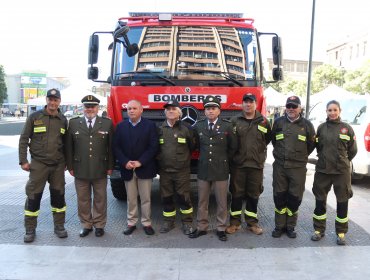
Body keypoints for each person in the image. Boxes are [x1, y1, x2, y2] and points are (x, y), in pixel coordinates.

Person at [18, 88, 68, 243]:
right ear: (46, 100)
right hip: (39, 164)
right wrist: (23, 160)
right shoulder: (35, 117)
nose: (53, 102)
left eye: (56, 100)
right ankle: (30, 229)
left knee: (58, 197)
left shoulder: (63, 119)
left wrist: (66, 163)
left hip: (58, 165)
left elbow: (66, 144)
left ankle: (59, 226)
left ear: (59, 101)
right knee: (33, 196)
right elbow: (24, 139)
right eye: (50, 99)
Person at [189, 96, 237, 241]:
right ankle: (201, 227)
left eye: (213, 108)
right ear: (204, 111)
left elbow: (233, 147)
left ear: (219, 111)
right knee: (202, 201)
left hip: (221, 169)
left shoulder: (227, 126)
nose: (210, 111)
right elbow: (194, 145)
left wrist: (223, 160)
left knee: (222, 202)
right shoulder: (198, 126)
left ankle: (221, 228)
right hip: (203, 168)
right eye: (208, 109)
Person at [66, 95, 114, 238]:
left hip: (101, 167)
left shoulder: (106, 123)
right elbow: (69, 147)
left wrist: (110, 166)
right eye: (87, 106)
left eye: (93, 106)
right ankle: (86, 224)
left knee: (100, 198)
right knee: (83, 198)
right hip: (80, 167)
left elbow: (111, 147)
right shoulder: (73, 123)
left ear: (97, 108)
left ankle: (99, 224)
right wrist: (70, 166)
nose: (90, 109)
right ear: (83, 107)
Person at [310, 100, 357, 245]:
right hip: (323, 170)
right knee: (320, 201)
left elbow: (353, 150)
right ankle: (319, 230)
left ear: (339, 111)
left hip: (341, 172)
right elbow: (317, 146)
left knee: (342, 202)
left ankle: (341, 233)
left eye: (335, 110)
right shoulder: (321, 128)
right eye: (329, 110)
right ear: (326, 112)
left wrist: (342, 160)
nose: (332, 112)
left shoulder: (347, 128)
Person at [226, 93, 272, 235]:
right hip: (238, 165)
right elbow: (229, 143)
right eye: (245, 102)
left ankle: (252, 223)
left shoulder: (264, 122)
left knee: (254, 194)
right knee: (236, 194)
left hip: (256, 165)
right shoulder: (234, 121)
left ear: (255, 103)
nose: (248, 104)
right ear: (242, 104)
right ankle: (234, 223)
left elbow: (268, 139)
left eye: (251, 102)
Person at [271, 96, 315, 238]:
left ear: (299, 108)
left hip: (298, 168)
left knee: (294, 198)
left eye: (294, 106)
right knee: (279, 196)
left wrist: (299, 157)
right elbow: (273, 140)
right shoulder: (278, 123)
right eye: (288, 106)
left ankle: (290, 227)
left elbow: (311, 145)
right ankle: (279, 226)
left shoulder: (307, 125)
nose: (291, 109)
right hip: (280, 167)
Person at [113, 100, 159, 236]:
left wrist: (141, 162)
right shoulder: (120, 126)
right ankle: (131, 223)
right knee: (131, 199)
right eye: (129, 109)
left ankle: (146, 223)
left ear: (141, 110)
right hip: (127, 168)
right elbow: (116, 147)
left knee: (146, 199)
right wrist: (124, 161)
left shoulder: (150, 126)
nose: (131, 111)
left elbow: (153, 146)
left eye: (134, 108)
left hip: (144, 168)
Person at [157, 100, 196, 235]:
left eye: (174, 109)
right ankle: (169, 221)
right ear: (165, 113)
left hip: (182, 171)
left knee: (184, 197)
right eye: (168, 109)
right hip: (165, 171)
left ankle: (187, 222)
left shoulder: (187, 128)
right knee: (166, 197)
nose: (171, 111)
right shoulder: (159, 129)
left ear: (179, 113)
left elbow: (192, 146)